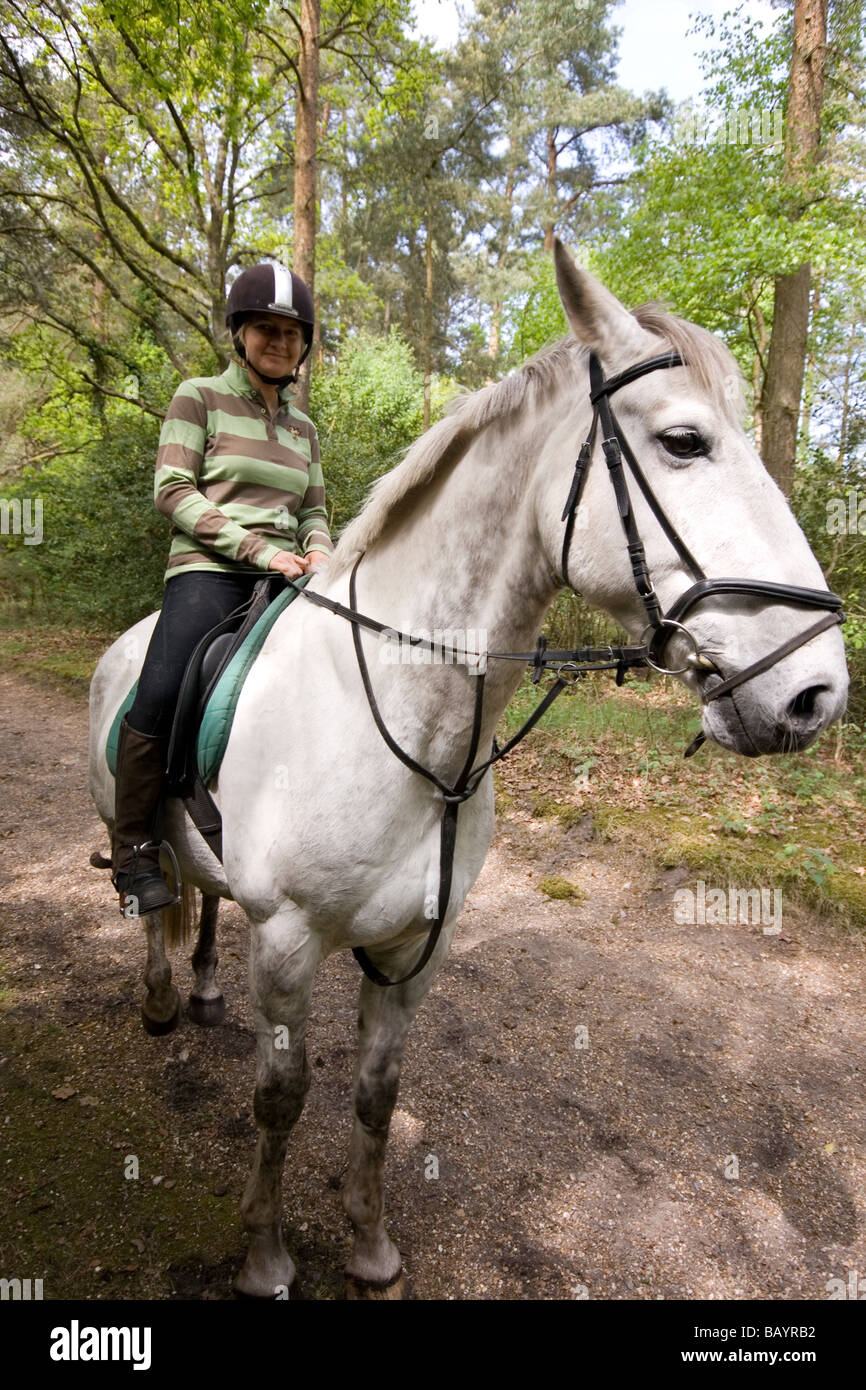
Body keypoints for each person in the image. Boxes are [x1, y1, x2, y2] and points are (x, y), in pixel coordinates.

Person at [111, 263, 332, 915]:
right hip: (209, 572)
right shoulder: (198, 398)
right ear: (240, 334)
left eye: (292, 334)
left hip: (289, 576)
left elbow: (316, 509)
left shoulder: (304, 430)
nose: (280, 343)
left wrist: (319, 550)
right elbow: (173, 491)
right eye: (266, 329)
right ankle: (134, 851)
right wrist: (259, 548)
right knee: (159, 687)